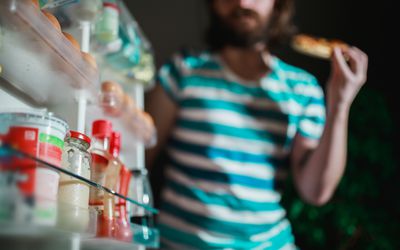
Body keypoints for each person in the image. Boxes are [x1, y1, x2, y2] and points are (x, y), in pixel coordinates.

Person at [145, 0, 368, 249]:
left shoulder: (302, 89)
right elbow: (138, 160)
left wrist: (340, 102)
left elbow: (315, 192)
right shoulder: (182, 71)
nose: (242, 2)